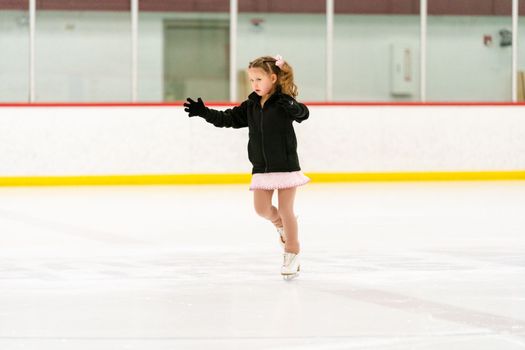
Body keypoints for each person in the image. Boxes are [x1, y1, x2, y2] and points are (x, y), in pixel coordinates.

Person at [183, 55, 309, 280]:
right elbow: (228, 118)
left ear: (273, 78)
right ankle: (280, 225)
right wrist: (204, 112)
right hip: (261, 167)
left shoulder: (283, 103)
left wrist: (291, 103)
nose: (255, 85)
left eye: (259, 79)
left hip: (286, 166)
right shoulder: (251, 105)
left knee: (287, 209)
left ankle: (292, 252)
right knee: (261, 209)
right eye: (251, 80)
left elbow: (303, 113)